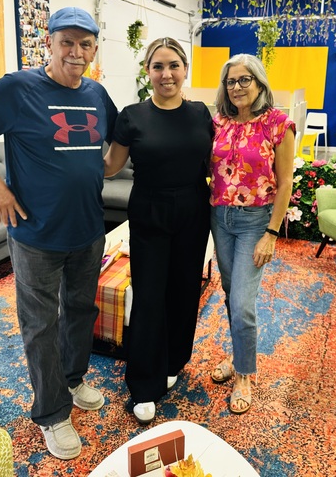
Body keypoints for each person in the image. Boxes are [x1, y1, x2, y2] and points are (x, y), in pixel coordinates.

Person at [0, 7, 118, 459]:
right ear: (48, 43)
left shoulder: (96, 93)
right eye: (66, 42)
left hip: (88, 229)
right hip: (35, 233)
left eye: (85, 44)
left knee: (80, 311)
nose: (76, 51)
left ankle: (72, 380)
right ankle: (52, 413)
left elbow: (121, 138)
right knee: (40, 325)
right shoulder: (18, 88)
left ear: (94, 49)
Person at [104, 37, 213, 424]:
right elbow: (110, 166)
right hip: (150, 210)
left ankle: (173, 360)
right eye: (158, 66)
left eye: (173, 66)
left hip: (194, 208)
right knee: (149, 296)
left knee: (184, 289)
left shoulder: (200, 113)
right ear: (147, 71)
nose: (166, 74)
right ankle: (144, 384)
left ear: (185, 70)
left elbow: (214, 163)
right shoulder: (132, 116)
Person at [209, 53, 295, 414]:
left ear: (259, 83)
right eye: (231, 81)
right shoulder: (219, 122)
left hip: (255, 221)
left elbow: (286, 181)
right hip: (220, 218)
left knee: (243, 302)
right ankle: (237, 354)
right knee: (232, 295)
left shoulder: (278, 123)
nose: (237, 87)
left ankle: (244, 373)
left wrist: (271, 233)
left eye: (245, 79)